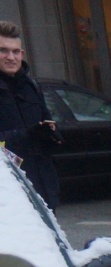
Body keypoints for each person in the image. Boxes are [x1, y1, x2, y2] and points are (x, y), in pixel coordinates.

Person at [0, 20, 61, 209]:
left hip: (43, 188)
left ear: (22, 54)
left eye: (15, 51)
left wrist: (52, 135)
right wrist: (24, 135)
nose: (11, 57)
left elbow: (47, 120)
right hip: (8, 193)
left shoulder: (32, 86)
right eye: (3, 50)